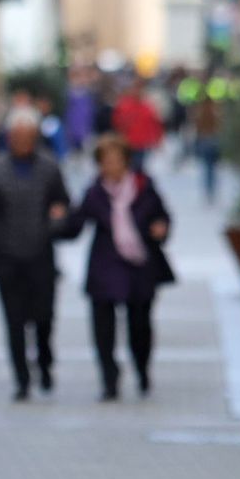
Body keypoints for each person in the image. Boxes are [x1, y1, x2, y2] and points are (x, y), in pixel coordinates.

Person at [59, 134, 174, 400]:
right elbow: (75, 225)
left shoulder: (144, 188)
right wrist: (56, 221)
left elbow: (162, 216)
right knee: (103, 329)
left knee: (140, 326)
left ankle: (142, 370)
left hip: (139, 267)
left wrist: (162, 228)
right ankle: (109, 379)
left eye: (116, 161)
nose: (111, 167)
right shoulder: (95, 192)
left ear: (126, 162)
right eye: (105, 162)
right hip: (105, 266)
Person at [0, 106, 71, 400]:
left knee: (44, 317)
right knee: (14, 321)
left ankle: (44, 361)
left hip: (41, 255)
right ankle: (22, 378)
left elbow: (64, 204)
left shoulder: (49, 168)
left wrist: (57, 219)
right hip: (9, 258)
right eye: (18, 136)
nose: (23, 142)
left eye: (28, 136)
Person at [111, 78, 164, 168]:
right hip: (127, 142)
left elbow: (155, 124)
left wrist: (157, 139)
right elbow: (117, 122)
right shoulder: (124, 104)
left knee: (138, 167)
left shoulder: (148, 106)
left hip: (142, 143)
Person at [192, 96, 223, 205]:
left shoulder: (201, 113)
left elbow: (197, 128)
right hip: (211, 142)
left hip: (206, 141)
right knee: (211, 168)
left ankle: (209, 192)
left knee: (208, 168)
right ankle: (210, 192)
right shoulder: (215, 113)